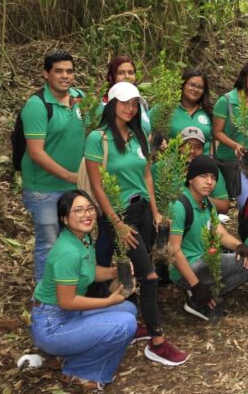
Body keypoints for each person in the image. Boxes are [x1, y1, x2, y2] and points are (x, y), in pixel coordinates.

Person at [85, 81, 187, 366]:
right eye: (124, 102)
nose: (130, 108)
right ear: (112, 103)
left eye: (134, 103)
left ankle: (132, 324)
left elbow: (148, 177)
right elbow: (97, 186)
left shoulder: (138, 135)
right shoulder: (98, 139)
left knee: (138, 270)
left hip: (142, 212)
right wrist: (116, 223)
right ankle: (157, 341)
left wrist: (155, 213)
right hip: (120, 216)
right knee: (149, 276)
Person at [30, 190, 137, 391]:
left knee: (128, 310)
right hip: (53, 324)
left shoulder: (83, 238)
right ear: (64, 218)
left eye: (89, 209)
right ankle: (78, 371)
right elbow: (67, 302)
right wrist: (108, 301)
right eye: (78, 211)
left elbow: (90, 272)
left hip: (69, 315)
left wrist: (115, 272)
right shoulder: (67, 252)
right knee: (125, 324)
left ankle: (74, 353)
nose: (86, 214)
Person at [20, 50, 86, 282]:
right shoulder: (37, 106)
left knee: (77, 239)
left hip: (74, 188)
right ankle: (45, 299)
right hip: (44, 190)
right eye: (58, 71)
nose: (65, 76)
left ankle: (72, 289)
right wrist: (70, 176)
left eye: (69, 71)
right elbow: (36, 153)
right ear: (46, 74)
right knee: (49, 243)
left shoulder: (79, 98)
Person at [170, 156, 248, 320]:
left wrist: (240, 246)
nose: (210, 182)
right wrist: (196, 285)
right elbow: (174, 251)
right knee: (224, 262)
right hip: (186, 268)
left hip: (204, 261)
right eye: (203, 176)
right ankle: (196, 294)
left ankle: (206, 295)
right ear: (190, 178)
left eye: (213, 177)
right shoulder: (179, 205)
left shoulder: (207, 203)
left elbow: (220, 233)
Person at [213, 60, 248, 208]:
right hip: (232, 161)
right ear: (245, 74)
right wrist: (235, 145)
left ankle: (247, 230)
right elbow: (217, 132)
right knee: (245, 202)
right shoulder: (226, 101)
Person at [152, 127, 230, 214]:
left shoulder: (210, 168)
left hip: (200, 221)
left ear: (203, 150)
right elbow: (149, 198)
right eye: (187, 145)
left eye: (198, 147)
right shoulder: (162, 167)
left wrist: (199, 199)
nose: (192, 151)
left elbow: (224, 206)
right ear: (179, 146)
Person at [153, 68, 213, 154]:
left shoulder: (209, 112)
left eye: (200, 87)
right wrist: (157, 142)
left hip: (202, 165)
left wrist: (211, 160)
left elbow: (215, 139)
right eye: (192, 85)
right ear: (183, 84)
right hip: (170, 164)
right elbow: (146, 131)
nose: (195, 89)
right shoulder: (166, 108)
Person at [102, 57, 152, 136]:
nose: (127, 76)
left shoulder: (141, 103)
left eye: (131, 73)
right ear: (111, 77)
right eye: (121, 73)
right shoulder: (103, 104)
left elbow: (148, 132)